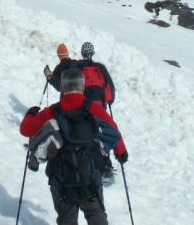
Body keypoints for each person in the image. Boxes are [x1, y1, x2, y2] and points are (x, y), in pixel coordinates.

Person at [20, 69, 128, 225]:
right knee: (96, 215)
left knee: (67, 220)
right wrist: (121, 153)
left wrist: (31, 114)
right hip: (90, 176)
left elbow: (26, 130)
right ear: (83, 86)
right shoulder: (93, 109)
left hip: (62, 178)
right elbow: (114, 131)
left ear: (62, 88)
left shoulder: (53, 111)